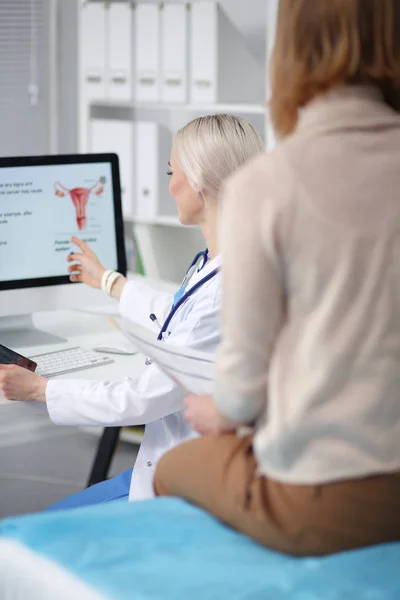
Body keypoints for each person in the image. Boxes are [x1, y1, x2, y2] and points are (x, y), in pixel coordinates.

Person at [153, 0, 400, 556]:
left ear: (289, 52)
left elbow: (238, 396)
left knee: (169, 469)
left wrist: (214, 409)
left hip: (328, 494)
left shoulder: (267, 186)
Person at [0, 114, 263, 509]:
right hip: (182, 459)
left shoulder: (225, 290)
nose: (169, 184)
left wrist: (40, 389)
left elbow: (144, 400)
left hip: (186, 479)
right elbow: (181, 316)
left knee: (45, 524)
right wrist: (109, 281)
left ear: (197, 184)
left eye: (172, 171)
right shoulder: (232, 260)